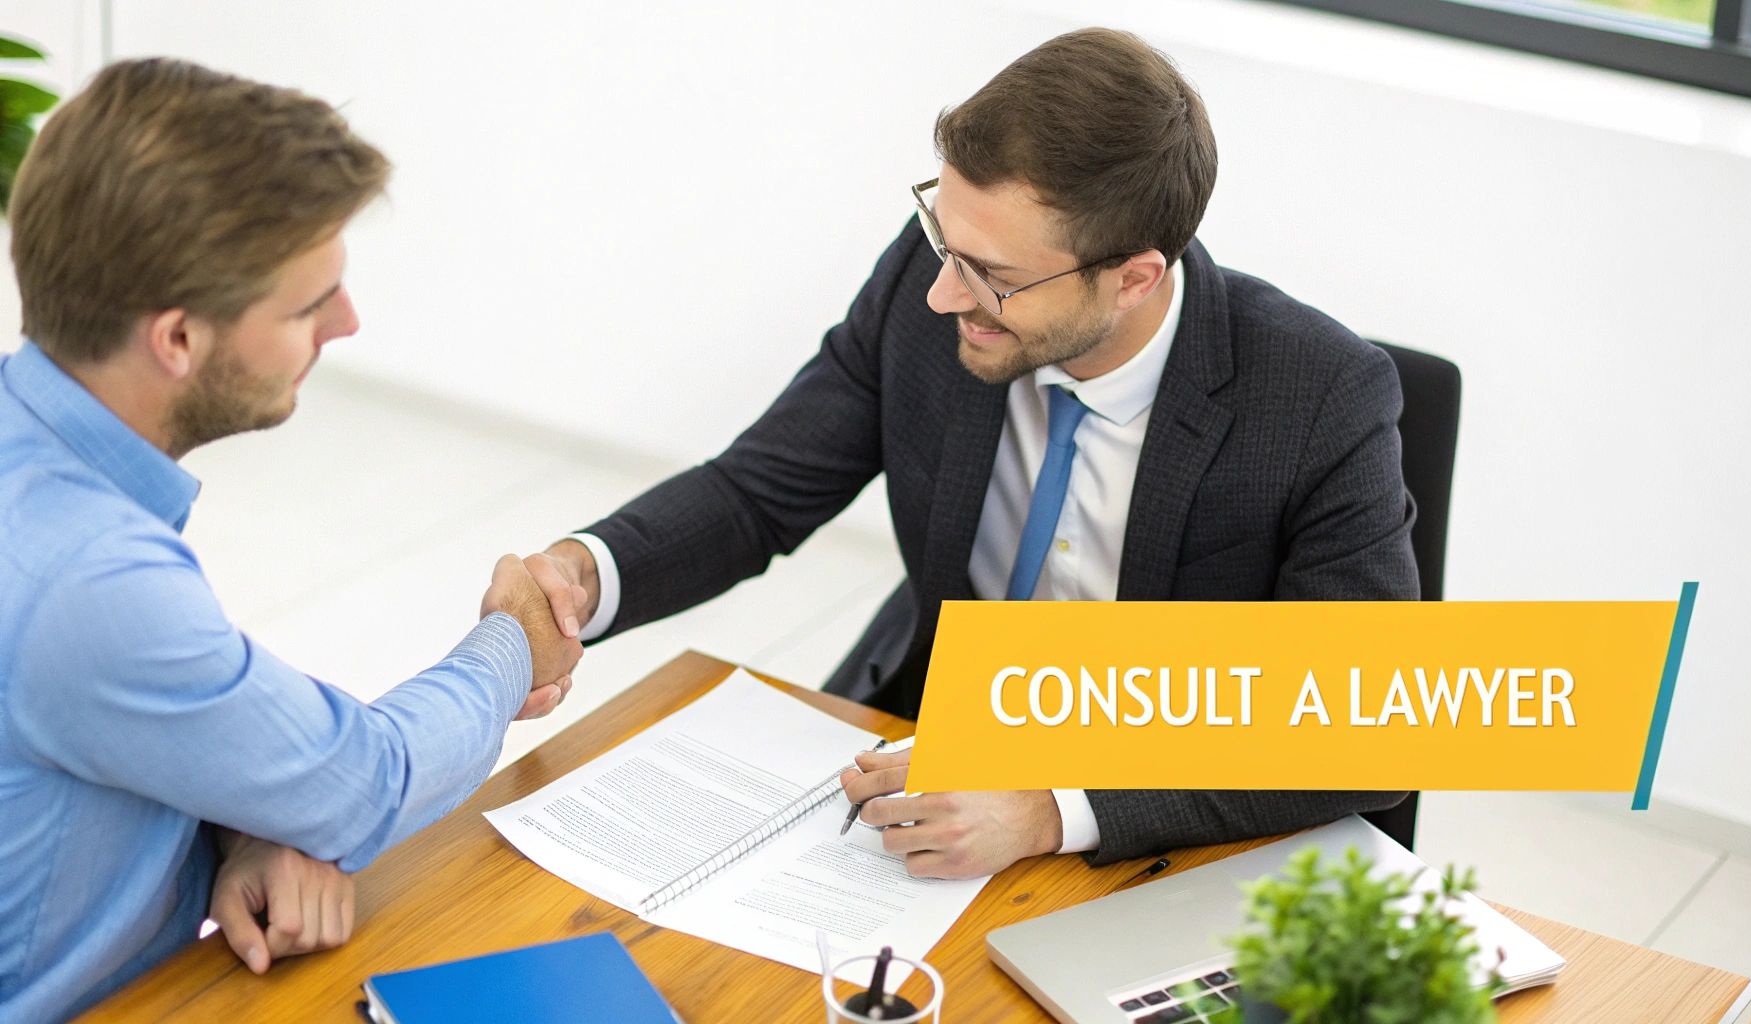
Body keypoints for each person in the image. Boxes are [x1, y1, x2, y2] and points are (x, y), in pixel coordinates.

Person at [527, 27, 1417, 881]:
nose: (947, 292)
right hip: (923, 729)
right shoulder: (937, 280)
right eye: (942, 238)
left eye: (994, 275)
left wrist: (1047, 808)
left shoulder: (1320, 395)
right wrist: (582, 575)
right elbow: (759, 492)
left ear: (1135, 277)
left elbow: (1361, 733)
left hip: (1162, 808)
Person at [0, 59, 584, 1021]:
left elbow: (136, 725)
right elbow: (364, 782)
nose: (348, 323)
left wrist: (247, 828)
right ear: (178, 340)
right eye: (311, 304)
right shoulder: (93, 578)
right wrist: (516, 638)